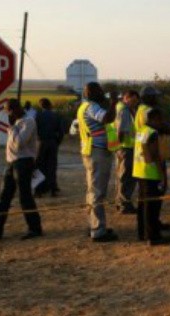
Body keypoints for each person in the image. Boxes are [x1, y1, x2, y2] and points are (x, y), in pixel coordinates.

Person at [0, 99, 43, 240]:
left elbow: (19, 143)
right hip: (11, 163)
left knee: (25, 197)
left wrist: (12, 128)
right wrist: (12, 126)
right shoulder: (15, 123)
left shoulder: (28, 122)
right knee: (4, 198)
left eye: (9, 110)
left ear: (15, 108)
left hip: (24, 162)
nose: (8, 113)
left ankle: (34, 228)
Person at [77, 82, 118, 242]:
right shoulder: (92, 107)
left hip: (90, 151)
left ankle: (94, 224)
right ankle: (98, 230)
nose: (103, 93)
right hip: (97, 152)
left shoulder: (83, 107)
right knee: (97, 193)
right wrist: (114, 102)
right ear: (93, 93)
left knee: (92, 190)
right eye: (100, 91)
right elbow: (107, 118)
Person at [133, 108, 169, 245]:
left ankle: (142, 233)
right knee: (152, 207)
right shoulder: (152, 133)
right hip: (151, 173)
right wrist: (162, 176)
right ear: (154, 119)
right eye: (160, 120)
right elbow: (154, 156)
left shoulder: (141, 130)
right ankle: (153, 236)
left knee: (143, 205)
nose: (161, 123)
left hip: (140, 172)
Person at [114, 90, 140, 214]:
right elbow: (121, 130)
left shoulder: (121, 108)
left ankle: (120, 203)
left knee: (121, 177)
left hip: (122, 147)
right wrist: (120, 144)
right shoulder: (124, 110)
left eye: (136, 101)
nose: (134, 103)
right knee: (127, 178)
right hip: (126, 148)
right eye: (133, 100)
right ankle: (125, 204)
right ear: (126, 98)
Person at [35, 98, 63, 197]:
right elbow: (61, 131)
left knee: (40, 166)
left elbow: (35, 130)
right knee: (52, 166)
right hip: (52, 142)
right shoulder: (56, 115)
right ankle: (53, 189)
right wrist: (57, 142)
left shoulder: (38, 116)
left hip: (41, 142)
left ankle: (39, 190)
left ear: (41, 105)